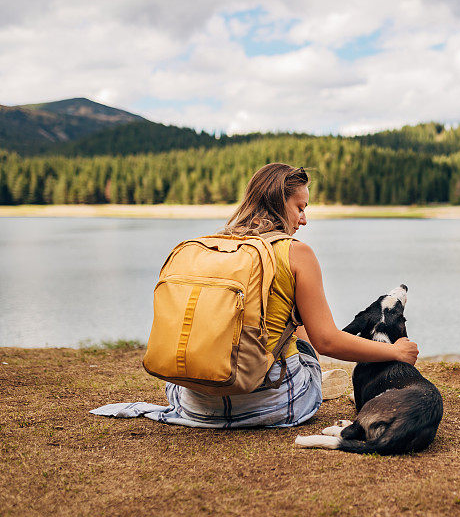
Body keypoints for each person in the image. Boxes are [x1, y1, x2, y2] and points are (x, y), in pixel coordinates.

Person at [154, 162, 419, 428]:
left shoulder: (211, 245)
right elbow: (326, 341)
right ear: (278, 203)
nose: (304, 219)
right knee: (298, 322)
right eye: (300, 208)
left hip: (194, 405)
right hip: (272, 405)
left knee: (282, 313)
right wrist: (395, 352)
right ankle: (304, 377)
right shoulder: (296, 252)